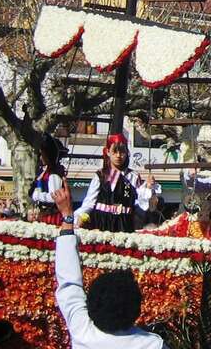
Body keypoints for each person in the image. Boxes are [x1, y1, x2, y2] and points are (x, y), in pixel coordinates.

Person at [52, 181, 167, 349]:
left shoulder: (82, 329)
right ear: (136, 309)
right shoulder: (152, 344)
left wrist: (68, 216)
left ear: (91, 304)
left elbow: (69, 283)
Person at [74, 133, 161, 233]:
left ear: (127, 153)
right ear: (108, 152)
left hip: (125, 222)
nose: (118, 156)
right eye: (115, 152)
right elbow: (89, 202)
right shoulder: (101, 175)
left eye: (122, 152)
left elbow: (141, 203)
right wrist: (79, 218)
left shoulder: (133, 176)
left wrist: (149, 188)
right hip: (101, 221)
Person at [30, 135, 66, 225]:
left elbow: (54, 197)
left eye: (42, 155)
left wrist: (35, 195)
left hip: (53, 217)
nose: (41, 158)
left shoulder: (54, 174)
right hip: (44, 215)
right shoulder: (45, 171)